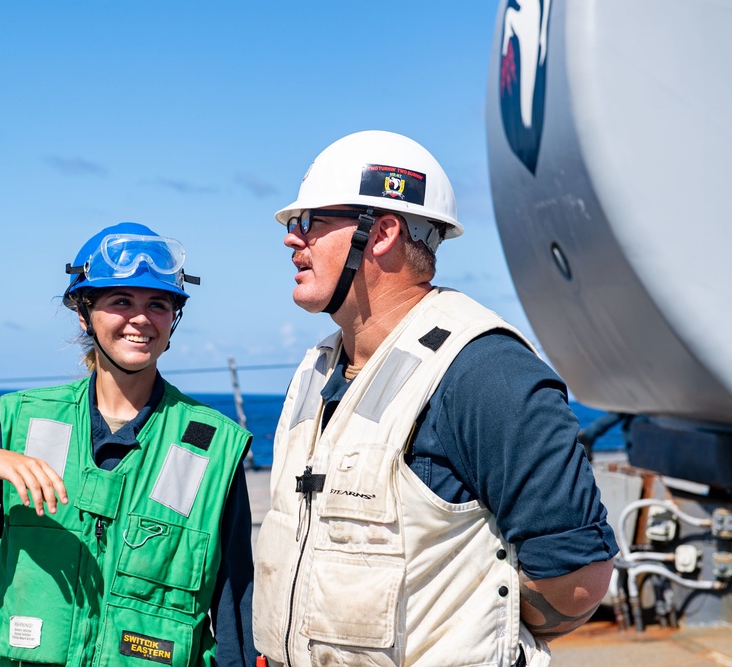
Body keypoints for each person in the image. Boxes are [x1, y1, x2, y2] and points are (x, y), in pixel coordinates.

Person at [252, 131, 618, 667]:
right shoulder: (317, 369)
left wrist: (470, 625)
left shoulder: (485, 372)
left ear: (380, 232)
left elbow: (577, 582)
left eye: (310, 221)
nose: (292, 239)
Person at [0, 222, 258, 667]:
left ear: (172, 319)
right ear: (84, 314)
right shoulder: (25, 424)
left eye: (157, 304)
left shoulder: (210, 447)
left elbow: (235, 607)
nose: (140, 318)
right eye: (121, 300)